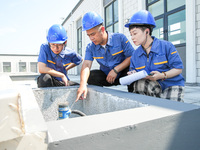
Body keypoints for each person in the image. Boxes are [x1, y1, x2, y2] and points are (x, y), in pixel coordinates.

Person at [124, 10, 185, 102]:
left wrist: (162, 75)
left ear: (147, 32)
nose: (132, 37)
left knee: (171, 110)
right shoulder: (135, 55)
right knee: (139, 84)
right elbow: (134, 71)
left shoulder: (166, 46)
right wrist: (133, 74)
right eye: (131, 34)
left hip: (171, 84)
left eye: (135, 33)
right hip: (152, 85)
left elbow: (178, 69)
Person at [76, 11, 134, 101]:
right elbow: (86, 65)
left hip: (122, 74)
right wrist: (82, 84)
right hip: (107, 77)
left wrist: (116, 70)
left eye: (93, 34)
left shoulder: (120, 38)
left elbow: (131, 57)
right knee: (91, 76)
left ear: (102, 29)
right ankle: (101, 101)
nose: (91, 38)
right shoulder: (90, 47)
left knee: (133, 71)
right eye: (88, 35)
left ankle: (133, 99)